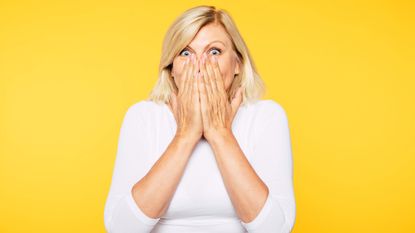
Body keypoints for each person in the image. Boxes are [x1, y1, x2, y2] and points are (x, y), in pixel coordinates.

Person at [104, 5, 296, 233]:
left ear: (237, 63)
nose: (199, 65)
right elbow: (122, 228)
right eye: (186, 53)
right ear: (171, 68)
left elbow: (275, 229)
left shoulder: (267, 116)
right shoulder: (143, 117)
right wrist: (185, 135)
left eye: (214, 52)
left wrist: (220, 132)